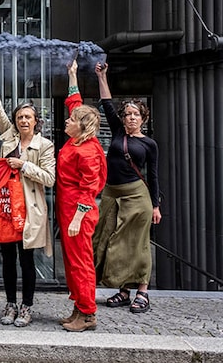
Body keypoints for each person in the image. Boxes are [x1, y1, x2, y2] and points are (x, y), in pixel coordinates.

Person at [0, 63, 55, 327]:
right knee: (8, 259)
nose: (23, 121)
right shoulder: (8, 136)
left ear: (36, 121)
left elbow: (50, 178)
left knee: (27, 260)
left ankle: (27, 306)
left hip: (29, 209)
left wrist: (24, 166)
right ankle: (10, 303)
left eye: (28, 117)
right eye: (20, 117)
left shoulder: (44, 145)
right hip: (6, 207)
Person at [93, 62, 161, 313]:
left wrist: (155, 205)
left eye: (136, 115)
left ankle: (142, 291)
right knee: (109, 239)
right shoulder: (118, 131)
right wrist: (102, 76)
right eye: (128, 114)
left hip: (136, 196)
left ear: (144, 118)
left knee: (138, 243)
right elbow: (107, 104)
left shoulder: (149, 144)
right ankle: (123, 290)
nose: (131, 118)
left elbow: (152, 176)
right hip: (112, 193)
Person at [56, 60, 107, 332]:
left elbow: (89, 189)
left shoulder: (87, 152)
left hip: (78, 214)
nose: (68, 119)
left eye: (72, 120)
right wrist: (72, 74)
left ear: (82, 127)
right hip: (68, 210)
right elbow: (75, 102)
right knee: (72, 262)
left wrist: (78, 217)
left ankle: (88, 314)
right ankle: (78, 308)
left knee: (81, 263)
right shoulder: (79, 137)